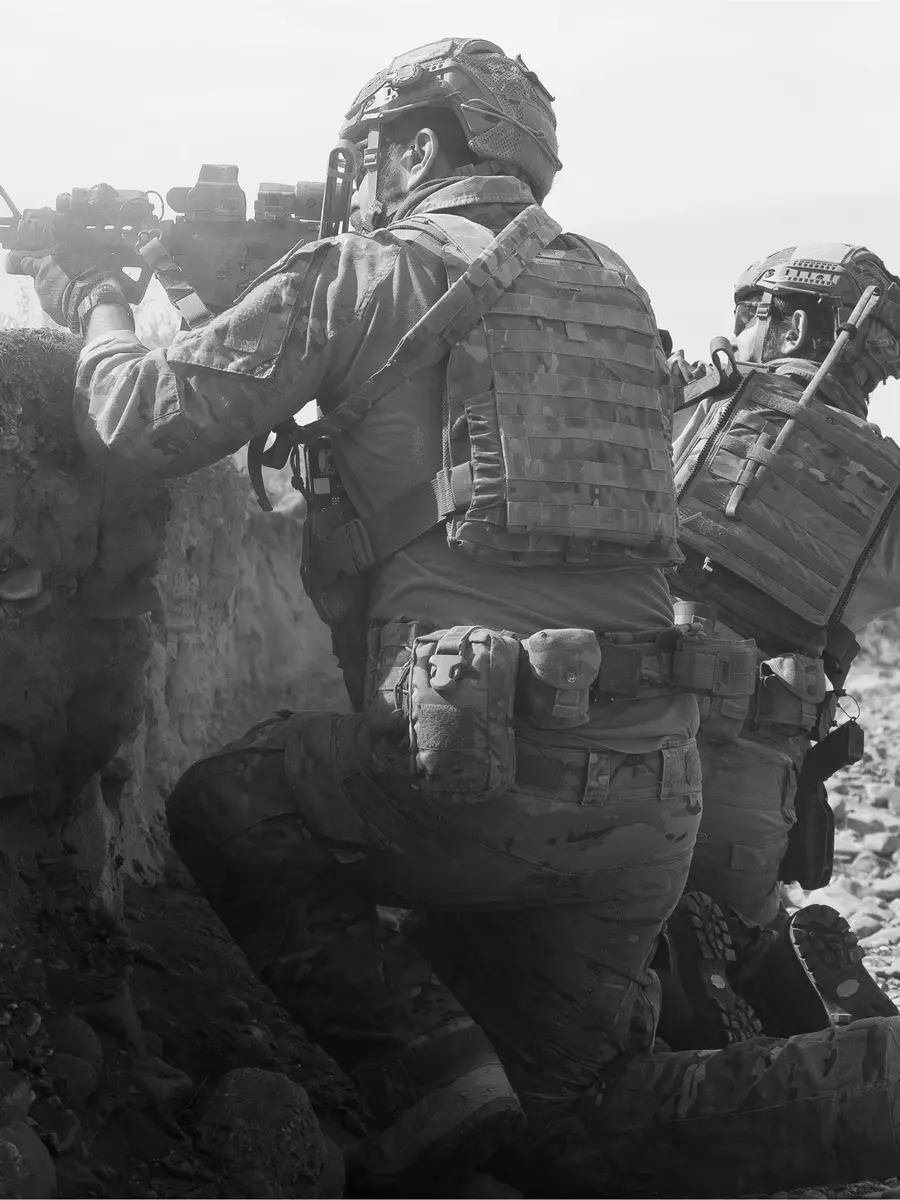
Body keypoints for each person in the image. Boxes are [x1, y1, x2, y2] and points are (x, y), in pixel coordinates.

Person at [12, 43, 900, 1199]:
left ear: (421, 146)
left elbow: (137, 415)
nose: (360, 188)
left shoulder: (363, 275)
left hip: (475, 776)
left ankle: (438, 1090)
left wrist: (106, 301)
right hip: (654, 792)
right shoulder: (616, 291)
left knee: (227, 802)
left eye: (370, 162)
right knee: (583, 1118)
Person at [664, 244, 900, 1045]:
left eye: (750, 316)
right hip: (750, 814)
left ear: (793, 322)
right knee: (742, 918)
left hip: (612, 745)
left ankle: (702, 986)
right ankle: (797, 990)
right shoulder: (886, 487)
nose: (739, 333)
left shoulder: (691, 403)